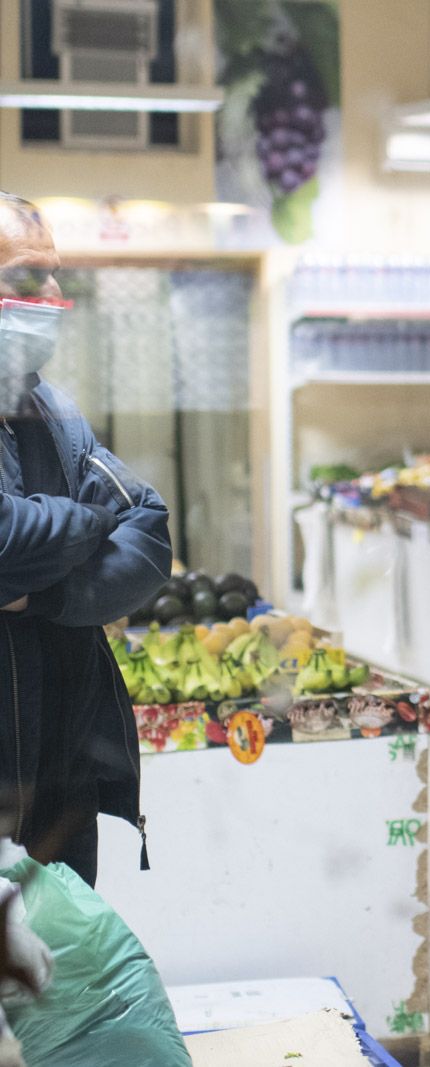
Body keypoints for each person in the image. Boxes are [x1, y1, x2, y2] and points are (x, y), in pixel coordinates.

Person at [0, 192, 171, 885]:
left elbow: (150, 530)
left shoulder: (52, 410)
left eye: (54, 273)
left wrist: (40, 597)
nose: (50, 293)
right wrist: (86, 519)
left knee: (59, 981)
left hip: (61, 774)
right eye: (24, 278)